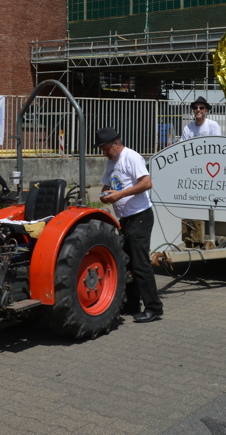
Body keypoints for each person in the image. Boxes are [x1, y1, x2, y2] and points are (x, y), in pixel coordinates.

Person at [95, 127, 163, 323]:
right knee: (128, 264)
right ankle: (133, 304)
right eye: (102, 149)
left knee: (141, 265)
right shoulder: (112, 161)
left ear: (116, 143)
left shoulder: (131, 157)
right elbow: (107, 185)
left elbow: (147, 183)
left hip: (140, 216)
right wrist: (106, 194)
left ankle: (154, 308)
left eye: (106, 148)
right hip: (125, 218)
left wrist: (120, 194)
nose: (104, 153)